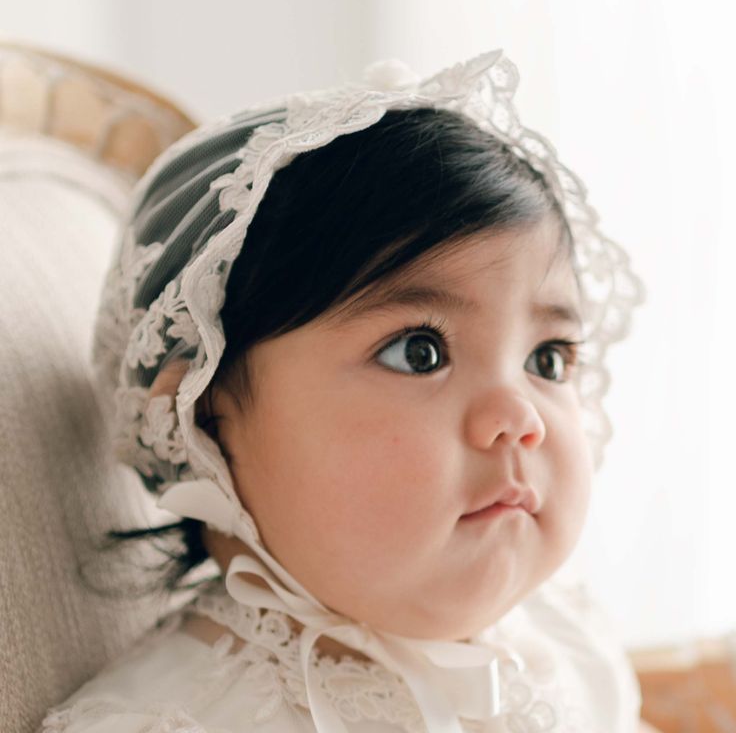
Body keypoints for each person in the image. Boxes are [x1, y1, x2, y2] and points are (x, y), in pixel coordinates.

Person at [40, 51, 655, 732]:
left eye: (548, 358)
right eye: (420, 352)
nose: (519, 418)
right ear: (202, 419)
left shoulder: (567, 647)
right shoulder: (173, 721)